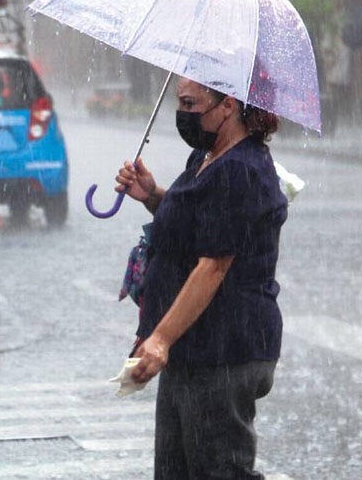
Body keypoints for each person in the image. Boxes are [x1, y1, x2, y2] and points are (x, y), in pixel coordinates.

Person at [114, 76, 287, 479]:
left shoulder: (239, 169)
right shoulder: (206, 158)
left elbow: (213, 266)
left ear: (228, 105)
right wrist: (153, 195)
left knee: (218, 472)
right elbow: (195, 226)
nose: (183, 113)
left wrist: (161, 338)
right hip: (192, 348)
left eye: (191, 103)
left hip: (225, 350)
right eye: (179, 102)